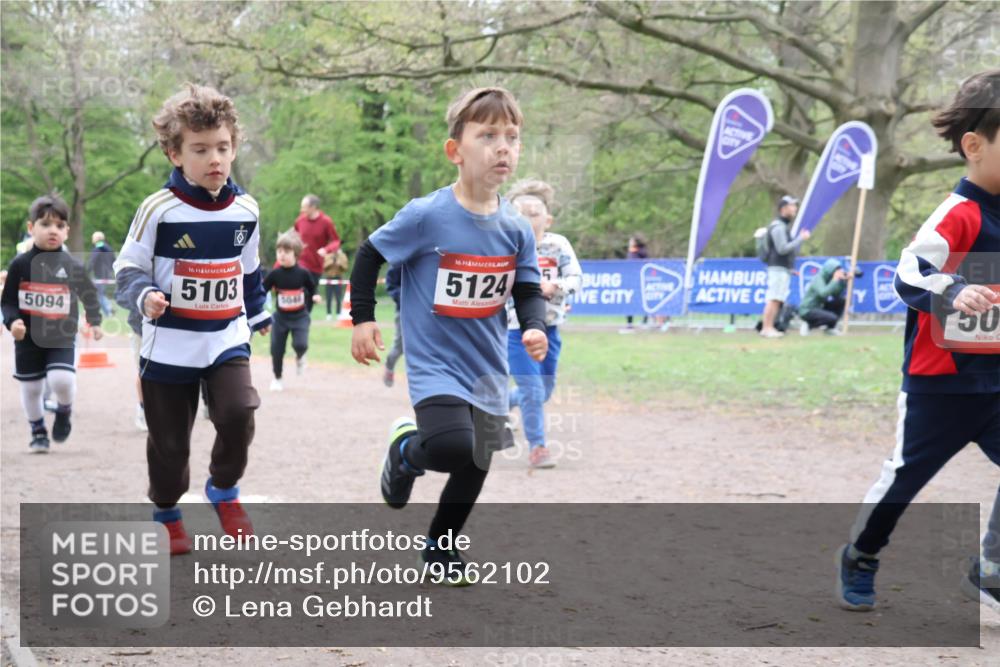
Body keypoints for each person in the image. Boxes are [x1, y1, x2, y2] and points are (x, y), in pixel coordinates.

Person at [350, 87, 548, 584]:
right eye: (488, 136)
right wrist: (363, 317)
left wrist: (535, 327)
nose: (503, 147)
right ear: (455, 151)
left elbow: (525, 288)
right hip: (435, 360)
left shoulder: (516, 228)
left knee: (478, 457)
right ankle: (405, 452)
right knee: (448, 447)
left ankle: (441, 549)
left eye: (512, 137)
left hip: (485, 363)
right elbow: (369, 254)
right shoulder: (427, 215)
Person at [837, 69, 1000, 612]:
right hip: (941, 386)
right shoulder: (957, 214)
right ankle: (861, 553)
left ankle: (991, 570)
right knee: (904, 480)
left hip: (997, 381)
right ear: (974, 146)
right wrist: (954, 290)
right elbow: (907, 276)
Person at [114, 83, 271, 556]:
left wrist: (258, 311)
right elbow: (127, 269)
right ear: (174, 153)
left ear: (235, 147)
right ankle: (166, 510)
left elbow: (249, 270)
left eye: (222, 147)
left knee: (240, 411)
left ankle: (223, 489)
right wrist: (145, 297)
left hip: (224, 337)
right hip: (168, 345)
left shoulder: (247, 209)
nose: (214, 159)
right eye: (200, 150)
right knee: (170, 446)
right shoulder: (158, 210)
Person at [1, 194, 103, 453]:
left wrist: (95, 320)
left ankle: (64, 410)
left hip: (61, 335)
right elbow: (8, 301)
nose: (52, 231)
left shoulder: (71, 265)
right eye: (45, 224)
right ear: (30, 228)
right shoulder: (20, 264)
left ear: (67, 231)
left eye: (59, 226)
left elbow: (89, 293)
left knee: (61, 381)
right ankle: (37, 431)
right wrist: (13, 322)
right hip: (28, 338)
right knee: (32, 387)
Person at [505, 178, 582, 468]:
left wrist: (555, 287)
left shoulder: (558, 245)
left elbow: (576, 278)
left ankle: (497, 407)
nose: (527, 218)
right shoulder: (503, 247)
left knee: (542, 391)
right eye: (520, 214)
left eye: (534, 213)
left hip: (550, 329)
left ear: (547, 220)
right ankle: (538, 448)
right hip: (515, 331)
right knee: (533, 391)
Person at [263, 231, 320, 391]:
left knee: (300, 344)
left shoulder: (303, 273)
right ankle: (277, 378)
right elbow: (262, 290)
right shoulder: (274, 274)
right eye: (279, 251)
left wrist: (315, 296)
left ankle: (301, 357)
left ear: (295, 253)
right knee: (276, 349)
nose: (282, 255)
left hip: (300, 317)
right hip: (280, 318)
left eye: (286, 252)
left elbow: (312, 288)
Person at [760, 195, 810, 338]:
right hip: (777, 269)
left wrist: (789, 268)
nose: (795, 209)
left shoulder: (782, 227)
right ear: (783, 209)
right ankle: (767, 327)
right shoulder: (778, 227)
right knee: (774, 298)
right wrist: (800, 239)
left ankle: (769, 327)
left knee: (777, 298)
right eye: (792, 206)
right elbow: (782, 249)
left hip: (782, 269)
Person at [293, 194, 341, 320]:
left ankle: (303, 322)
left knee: (309, 299)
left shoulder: (326, 222)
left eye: (304, 207)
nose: (301, 210)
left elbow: (336, 241)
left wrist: (326, 249)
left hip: (316, 266)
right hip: (301, 263)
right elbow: (294, 236)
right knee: (300, 289)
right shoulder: (299, 221)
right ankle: (296, 318)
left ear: (313, 207)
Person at [798, 258, 848, 335]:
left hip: (819, 307)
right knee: (832, 318)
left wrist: (843, 282)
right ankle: (809, 324)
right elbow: (823, 293)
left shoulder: (829, 279)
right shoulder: (818, 278)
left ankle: (830, 328)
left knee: (840, 301)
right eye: (836, 270)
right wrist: (835, 280)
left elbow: (836, 293)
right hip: (808, 310)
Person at [619, 234, 648, 334]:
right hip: (630, 279)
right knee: (629, 301)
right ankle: (630, 324)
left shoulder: (640, 252)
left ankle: (644, 322)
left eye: (631, 241)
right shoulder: (632, 252)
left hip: (639, 280)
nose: (629, 242)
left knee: (642, 300)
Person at [86, 230, 116, 317]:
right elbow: (114, 261)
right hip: (108, 275)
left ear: (95, 239)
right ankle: (109, 309)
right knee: (101, 293)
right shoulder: (109, 248)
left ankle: (109, 311)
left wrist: (86, 272)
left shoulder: (97, 249)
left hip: (100, 276)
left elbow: (92, 262)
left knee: (99, 294)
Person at [382, 263, 403, 388]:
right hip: (404, 311)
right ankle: (389, 366)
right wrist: (403, 297)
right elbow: (391, 285)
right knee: (399, 348)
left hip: (429, 314)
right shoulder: (400, 259)